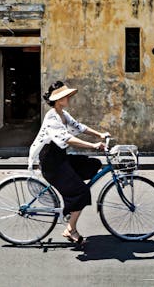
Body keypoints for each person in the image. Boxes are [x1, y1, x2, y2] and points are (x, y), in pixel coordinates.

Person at [27, 81, 110, 245]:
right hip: (51, 163)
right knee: (82, 192)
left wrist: (99, 135)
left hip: (60, 158)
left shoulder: (63, 114)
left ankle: (71, 200)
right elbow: (67, 138)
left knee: (92, 164)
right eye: (66, 96)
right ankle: (70, 229)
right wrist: (93, 145)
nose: (69, 98)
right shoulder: (52, 116)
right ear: (58, 100)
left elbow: (79, 127)